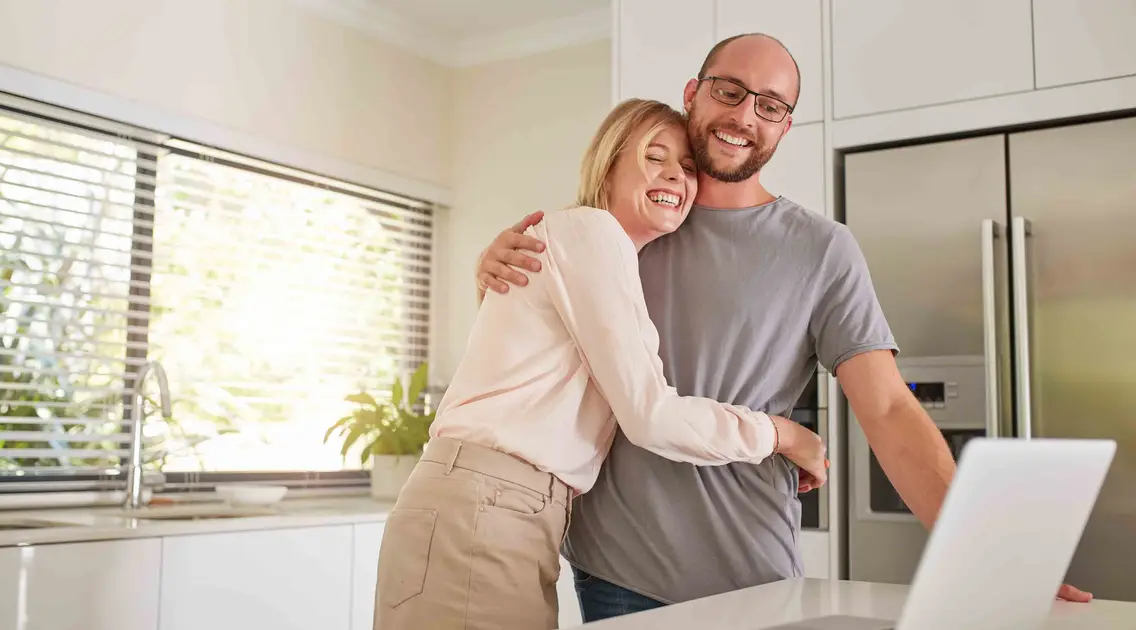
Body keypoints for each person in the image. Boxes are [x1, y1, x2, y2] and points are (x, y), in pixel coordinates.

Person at [474, 32, 1094, 622]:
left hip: (752, 569)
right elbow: (533, 340)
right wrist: (491, 273)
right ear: (692, 94)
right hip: (617, 569)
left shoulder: (821, 249)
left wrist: (988, 553)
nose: (744, 115)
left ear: (784, 126)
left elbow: (886, 407)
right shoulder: (625, 223)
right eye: (729, 91)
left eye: (769, 106)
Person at [371, 98, 828, 630]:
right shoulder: (592, 232)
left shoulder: (589, 249)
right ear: (607, 166)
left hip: (497, 510)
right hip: (485, 507)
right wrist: (782, 435)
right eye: (654, 157)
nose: (675, 176)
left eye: (687, 167)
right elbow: (651, 416)